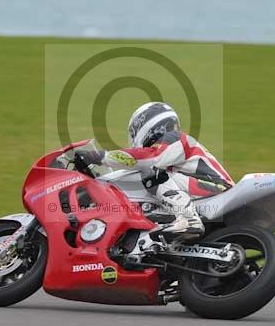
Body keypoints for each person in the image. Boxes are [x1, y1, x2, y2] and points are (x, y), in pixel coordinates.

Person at [76, 102, 233, 241]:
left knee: (152, 175)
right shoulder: (173, 147)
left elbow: (151, 158)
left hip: (215, 188)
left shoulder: (175, 138)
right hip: (205, 191)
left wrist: (101, 156)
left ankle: (188, 219)